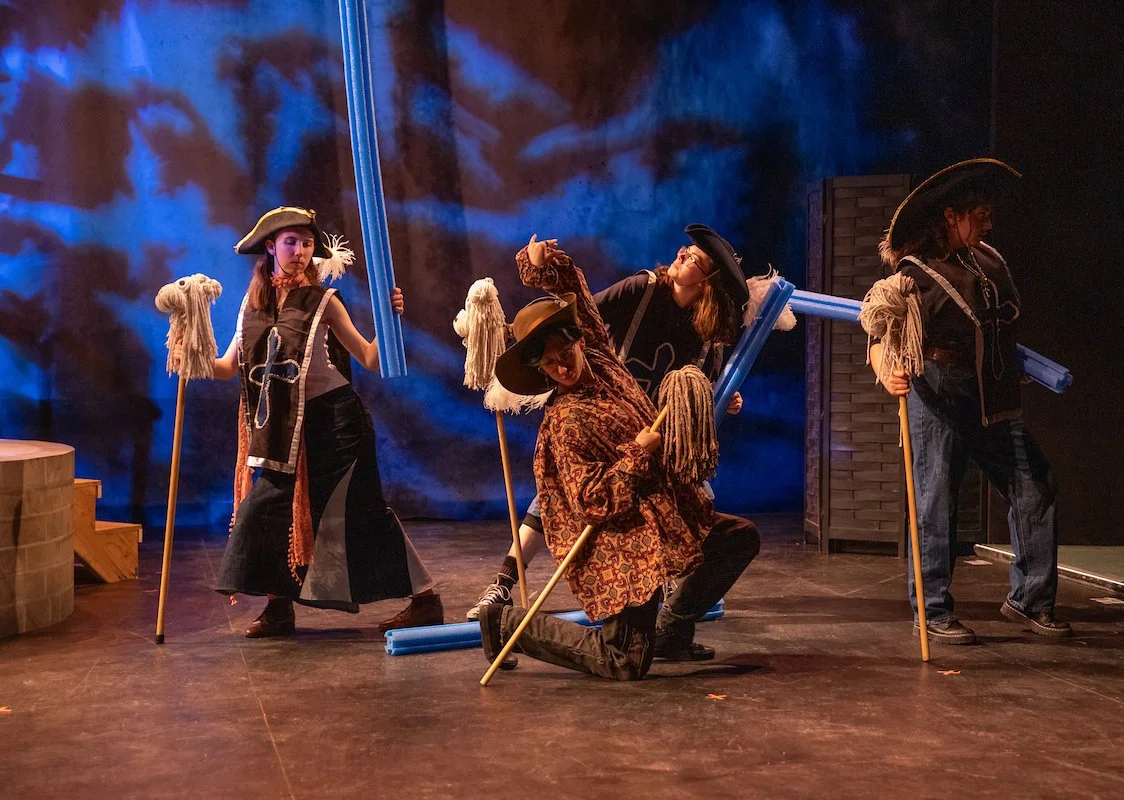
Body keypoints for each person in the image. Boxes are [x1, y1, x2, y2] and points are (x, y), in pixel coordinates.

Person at [476, 234, 760, 680]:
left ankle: (672, 630)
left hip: (660, 511)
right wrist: (638, 452)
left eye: (565, 353)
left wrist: (543, 265)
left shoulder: (601, 358)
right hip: (621, 541)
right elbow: (592, 502)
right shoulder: (565, 423)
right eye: (550, 365)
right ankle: (505, 624)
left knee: (736, 538)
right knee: (623, 659)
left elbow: (577, 292)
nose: (563, 368)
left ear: (579, 340)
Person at [205, 206, 443, 637]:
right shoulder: (251, 306)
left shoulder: (323, 301)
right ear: (270, 247)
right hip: (281, 429)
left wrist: (390, 319)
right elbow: (226, 368)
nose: (299, 251)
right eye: (291, 242)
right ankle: (279, 608)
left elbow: (369, 358)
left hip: (335, 424)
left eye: (307, 243)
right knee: (269, 512)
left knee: (360, 511)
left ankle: (426, 599)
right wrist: (189, 342)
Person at [870, 159, 1070, 645]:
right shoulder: (914, 274)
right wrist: (887, 372)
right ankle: (933, 610)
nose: (987, 225)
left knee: (1034, 484)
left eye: (988, 216)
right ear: (951, 217)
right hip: (939, 393)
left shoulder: (991, 262)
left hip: (994, 397)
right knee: (936, 502)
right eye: (979, 216)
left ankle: (1030, 599)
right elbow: (878, 332)